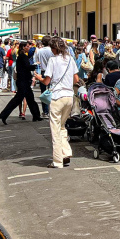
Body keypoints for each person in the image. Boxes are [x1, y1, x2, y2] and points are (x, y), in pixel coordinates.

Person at [35, 38, 80, 168]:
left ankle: (57, 161)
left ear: (54, 48)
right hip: (69, 96)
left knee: (55, 129)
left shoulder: (53, 60)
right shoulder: (70, 59)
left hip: (57, 97)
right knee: (62, 126)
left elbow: (47, 81)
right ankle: (66, 153)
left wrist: (39, 78)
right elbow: (76, 78)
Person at [0, 41, 42, 124]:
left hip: (23, 81)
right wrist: (35, 65)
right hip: (23, 82)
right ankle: (4, 115)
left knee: (30, 99)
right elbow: (27, 67)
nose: (29, 48)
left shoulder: (22, 56)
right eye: (27, 46)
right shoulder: (23, 57)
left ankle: (36, 116)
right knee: (18, 99)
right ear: (23, 47)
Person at [34, 37, 53, 117]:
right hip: (51, 72)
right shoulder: (52, 51)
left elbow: (36, 62)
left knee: (43, 92)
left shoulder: (39, 51)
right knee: (52, 91)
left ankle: (45, 111)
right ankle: (51, 109)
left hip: (42, 71)